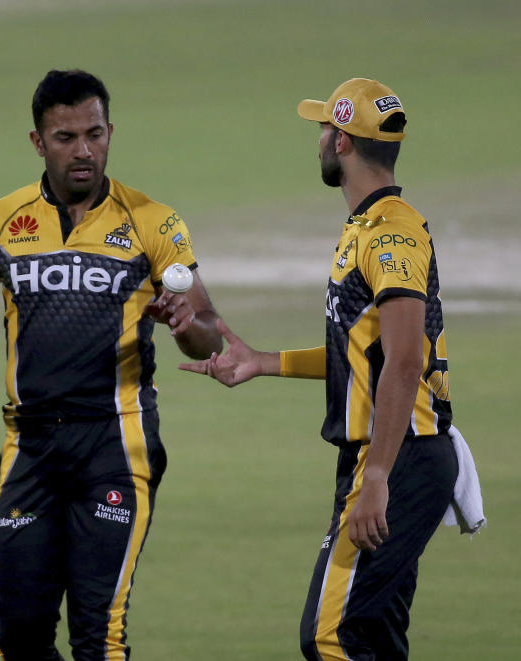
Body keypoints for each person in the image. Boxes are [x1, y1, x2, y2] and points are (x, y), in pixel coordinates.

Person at [0, 69, 221, 660]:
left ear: (110, 132)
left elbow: (211, 338)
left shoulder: (152, 221)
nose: (84, 150)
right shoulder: (0, 220)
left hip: (115, 446)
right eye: (65, 137)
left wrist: (188, 325)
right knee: (20, 639)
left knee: (99, 637)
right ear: (38, 142)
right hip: (28, 448)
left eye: (95, 133)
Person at [180, 78, 458, 659]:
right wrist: (263, 362)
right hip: (391, 452)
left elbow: (405, 362)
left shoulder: (390, 233)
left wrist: (378, 476)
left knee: (331, 635)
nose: (320, 138)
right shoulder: (365, 228)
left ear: (342, 143)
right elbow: (366, 358)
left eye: (325, 127)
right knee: (374, 636)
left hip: (397, 454)